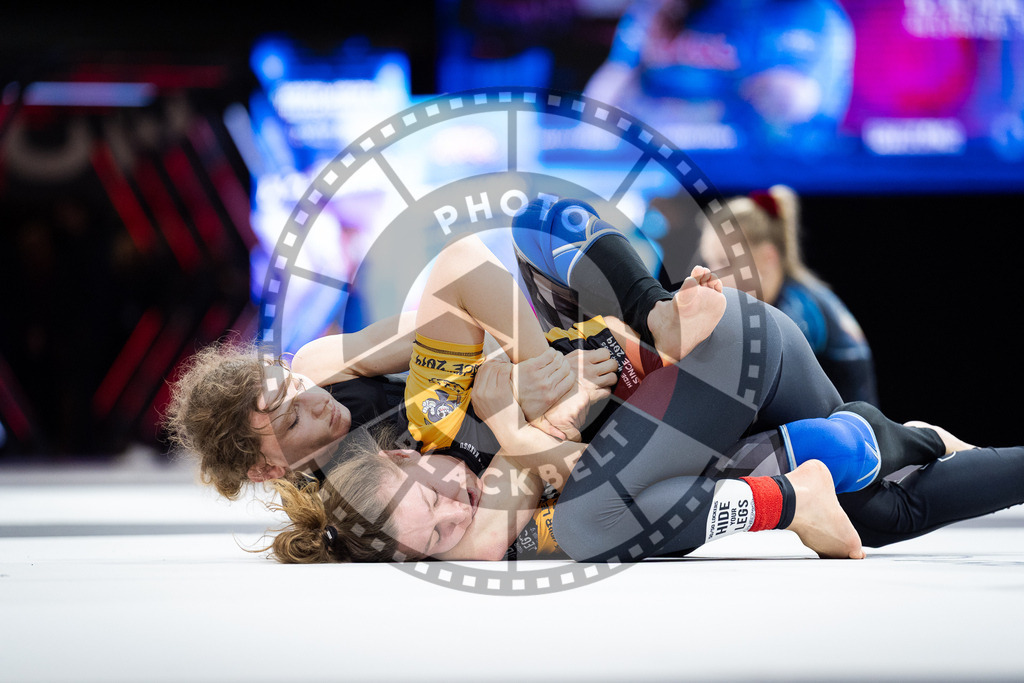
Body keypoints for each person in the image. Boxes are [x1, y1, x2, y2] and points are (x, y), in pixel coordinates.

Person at [263, 198, 985, 564]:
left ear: (400, 456)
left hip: (669, 364)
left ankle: (655, 310)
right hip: (672, 424)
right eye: (292, 418)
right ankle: (898, 444)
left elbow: (453, 285)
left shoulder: (391, 405)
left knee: (535, 222)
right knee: (875, 507)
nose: (314, 406)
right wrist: (526, 423)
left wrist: (535, 363)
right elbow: (567, 486)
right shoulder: (442, 519)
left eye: (293, 394)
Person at [698, 184, 879, 405]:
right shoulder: (786, 302)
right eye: (710, 263)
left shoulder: (800, 310)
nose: (714, 276)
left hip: (848, 425)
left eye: (725, 263)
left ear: (767, 258)